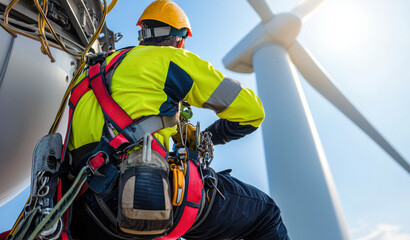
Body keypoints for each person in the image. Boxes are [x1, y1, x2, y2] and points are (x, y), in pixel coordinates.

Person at [68, 0, 290, 239]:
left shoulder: (94, 70)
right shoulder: (171, 59)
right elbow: (251, 111)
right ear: (180, 40)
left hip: (81, 209)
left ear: (142, 34)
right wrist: (212, 137)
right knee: (265, 215)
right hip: (138, 191)